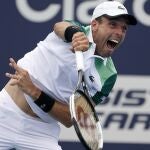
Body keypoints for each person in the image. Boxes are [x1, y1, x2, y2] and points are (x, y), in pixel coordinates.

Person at [0, 1, 137, 150]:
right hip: (5, 112)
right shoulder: (73, 31)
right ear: (94, 25)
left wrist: (34, 91)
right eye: (113, 24)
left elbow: (69, 119)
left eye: (124, 28)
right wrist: (75, 34)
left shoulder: (108, 76)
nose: (119, 32)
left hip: (42, 132)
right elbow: (59, 26)